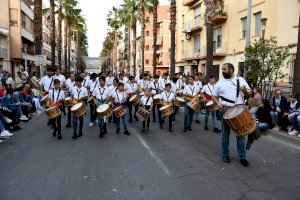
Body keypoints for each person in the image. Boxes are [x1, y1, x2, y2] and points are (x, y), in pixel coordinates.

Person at [212, 63, 252, 167]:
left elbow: (249, 94)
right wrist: (218, 103)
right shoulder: (220, 82)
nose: (223, 71)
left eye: (225, 69)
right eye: (222, 69)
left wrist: (244, 91)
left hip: (239, 110)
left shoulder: (240, 80)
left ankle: (242, 157)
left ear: (231, 70)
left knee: (241, 135)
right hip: (225, 110)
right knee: (225, 134)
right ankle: (225, 154)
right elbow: (213, 96)